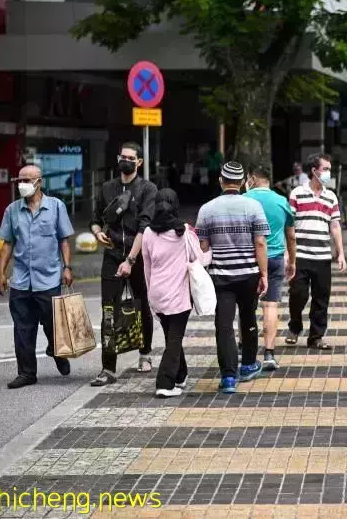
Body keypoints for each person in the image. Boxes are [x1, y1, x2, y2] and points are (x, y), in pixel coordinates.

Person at [0, 165, 74, 388]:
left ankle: (58, 352)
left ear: (38, 182)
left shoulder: (56, 207)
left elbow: (64, 240)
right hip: (21, 280)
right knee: (22, 328)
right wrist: (0, 273)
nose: (22, 185)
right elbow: (7, 243)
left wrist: (67, 267)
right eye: (19, 180)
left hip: (48, 279)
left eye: (26, 180)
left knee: (52, 324)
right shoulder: (12, 211)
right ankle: (27, 373)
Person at [196, 162, 269, 393]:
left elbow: (204, 246)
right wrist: (264, 273)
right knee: (248, 318)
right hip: (249, 275)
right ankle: (248, 365)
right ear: (243, 182)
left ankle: (228, 377)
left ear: (221, 180)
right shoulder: (254, 206)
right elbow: (260, 242)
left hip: (221, 277)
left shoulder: (207, 209)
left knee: (224, 325)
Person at [90, 142, 157, 386]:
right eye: (122, 157)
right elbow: (95, 220)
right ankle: (108, 368)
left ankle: (145, 353)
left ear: (139, 162)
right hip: (112, 253)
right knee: (109, 309)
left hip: (138, 256)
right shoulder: (107, 188)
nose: (125, 161)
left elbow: (145, 226)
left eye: (130, 158)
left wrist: (131, 259)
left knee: (142, 305)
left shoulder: (148, 189)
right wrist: (98, 233)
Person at [142, 189, 208, 398]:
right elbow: (199, 260)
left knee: (172, 335)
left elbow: (147, 267)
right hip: (178, 294)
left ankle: (181, 374)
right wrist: (212, 250)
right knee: (175, 339)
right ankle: (165, 383)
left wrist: (151, 293)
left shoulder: (148, 233)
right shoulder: (185, 231)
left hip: (156, 293)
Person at [285, 153, 347, 350]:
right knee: (298, 294)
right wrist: (289, 253)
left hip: (322, 257)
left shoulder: (331, 196)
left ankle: (316, 337)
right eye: (325, 169)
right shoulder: (297, 194)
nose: (328, 173)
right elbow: (289, 225)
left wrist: (341, 253)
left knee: (321, 298)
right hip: (301, 254)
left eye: (329, 169)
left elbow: (335, 226)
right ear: (314, 171)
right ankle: (295, 327)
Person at [245, 166, 297, 370]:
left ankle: (245, 348)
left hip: (249, 259)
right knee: (270, 305)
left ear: (252, 179)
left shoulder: (244, 200)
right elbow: (291, 236)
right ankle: (269, 353)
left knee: (246, 305)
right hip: (275, 258)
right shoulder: (281, 201)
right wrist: (292, 261)